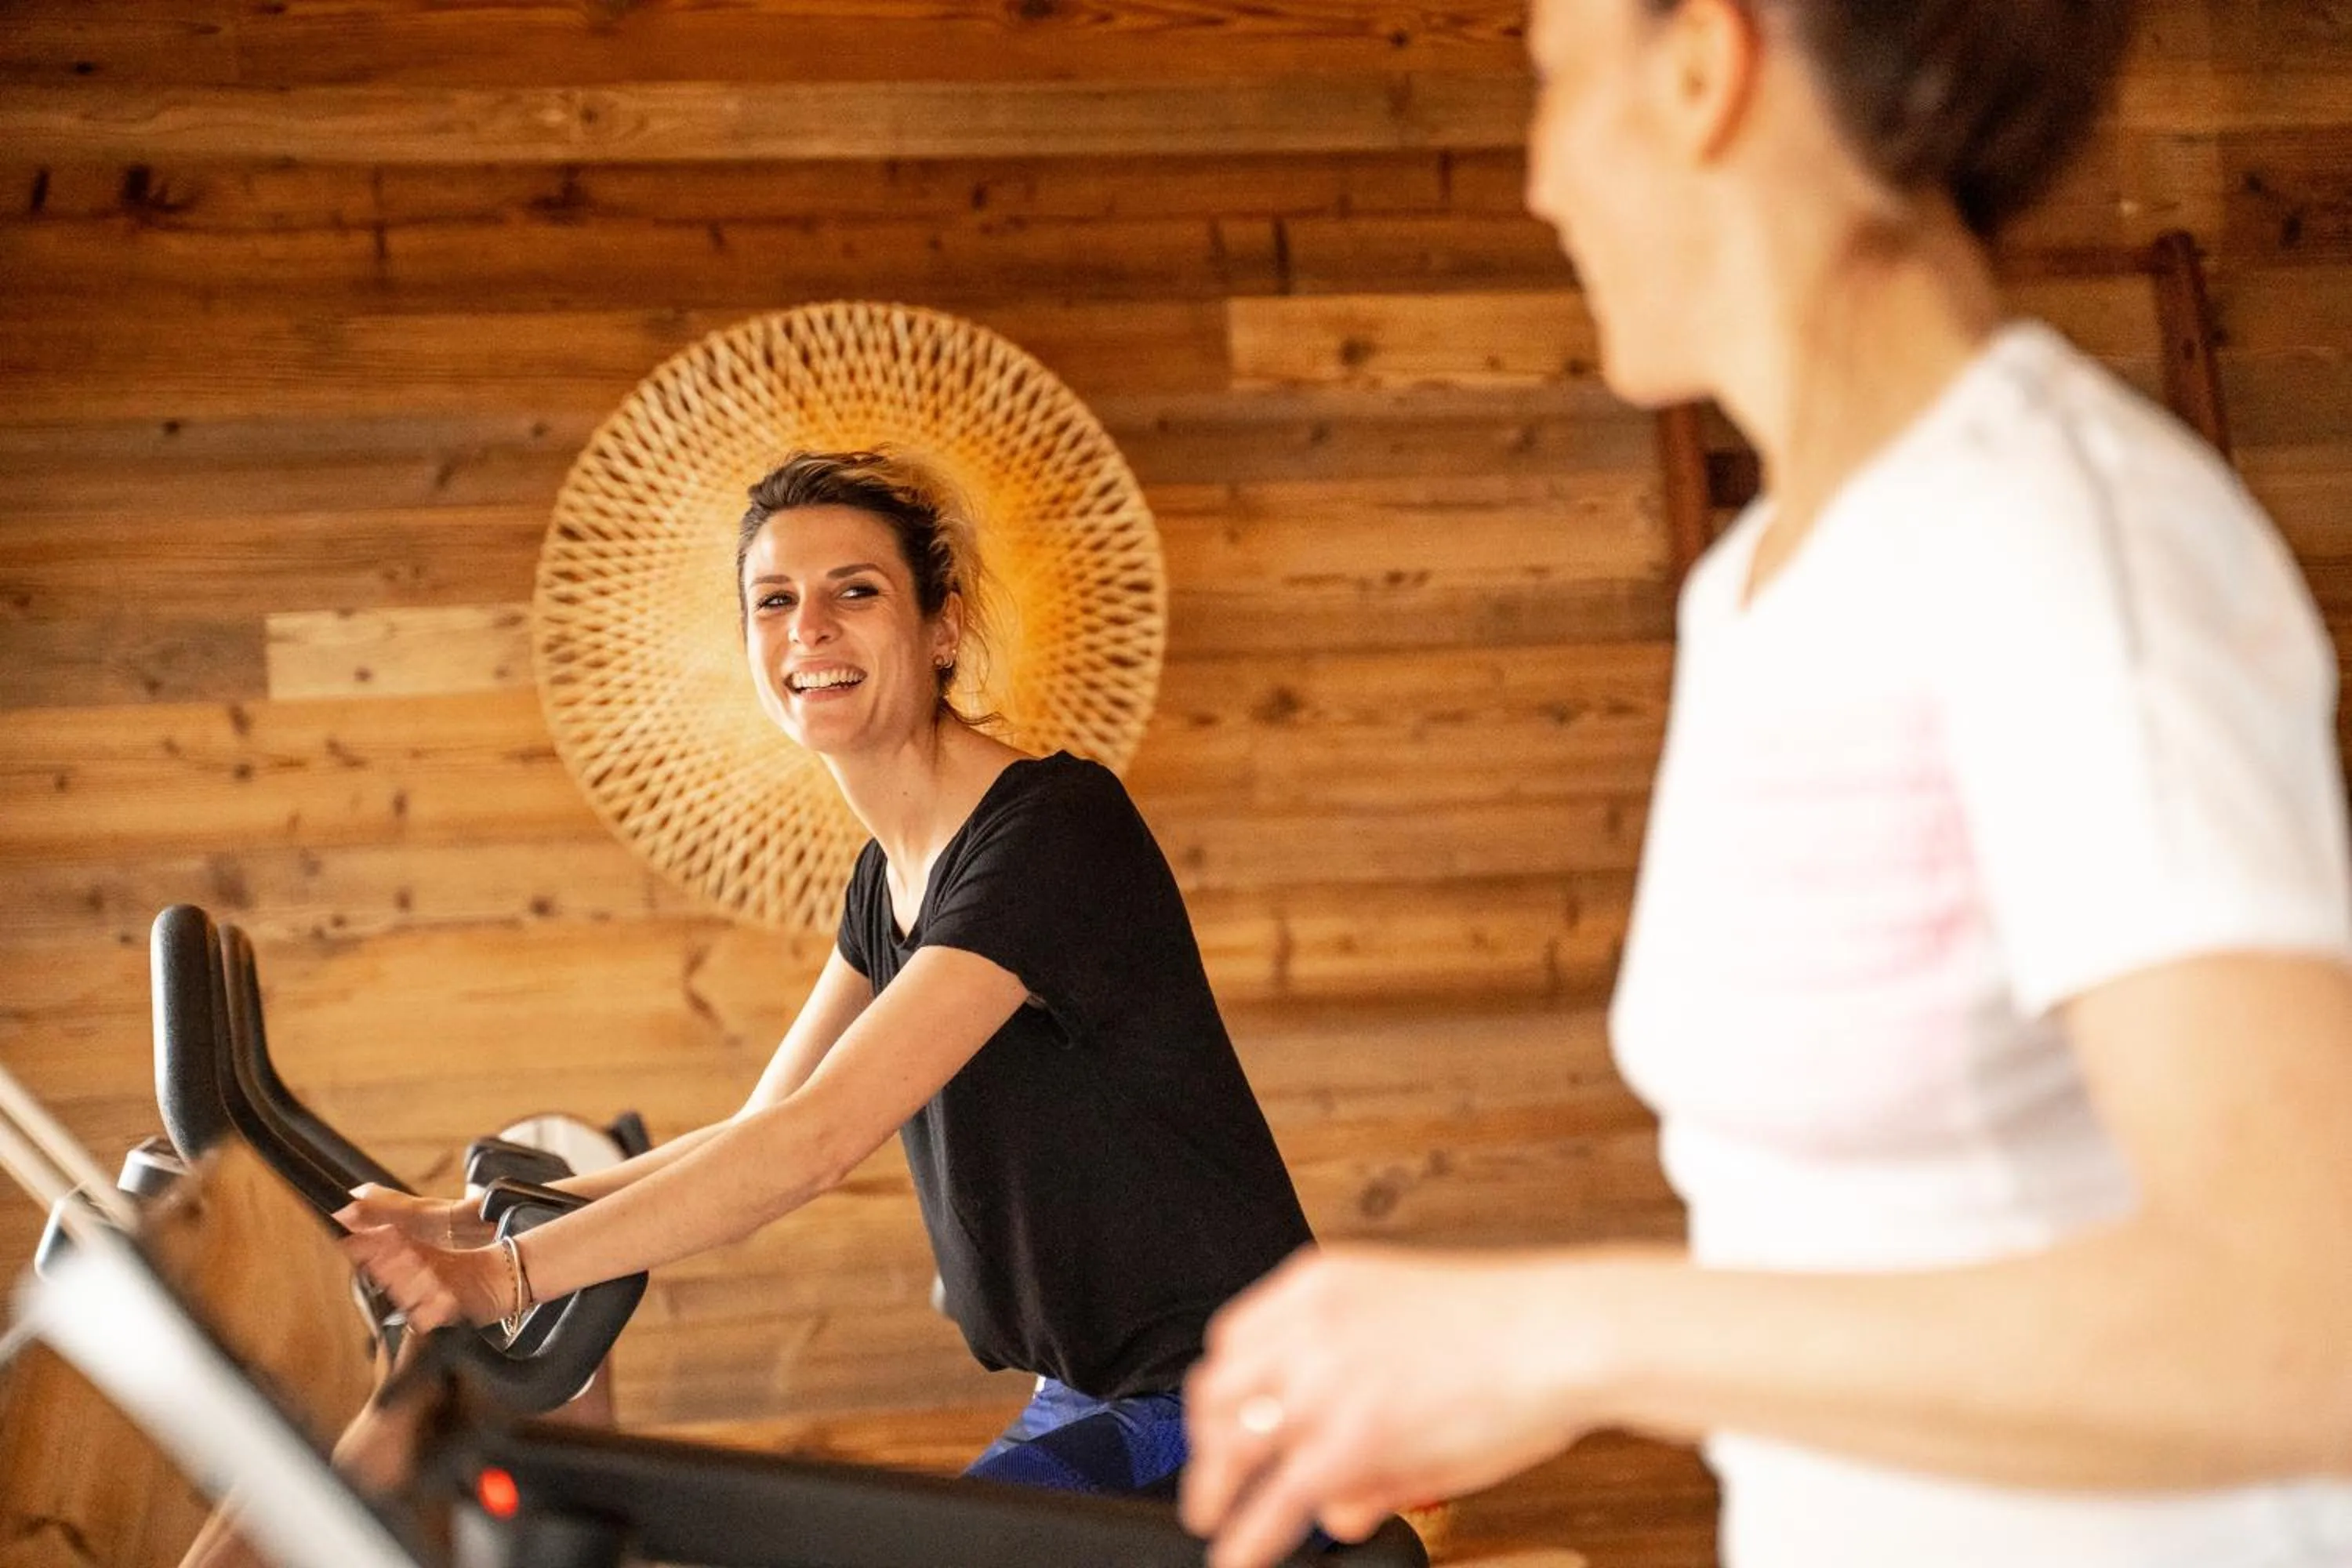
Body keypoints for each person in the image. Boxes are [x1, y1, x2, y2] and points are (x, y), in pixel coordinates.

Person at [1178, 2, 2352, 1565]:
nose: (1538, 180)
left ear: (1700, 67)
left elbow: (2306, 1321)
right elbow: (1876, 1240)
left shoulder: (2065, 539)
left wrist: (1578, 1334)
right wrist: (1539, 1378)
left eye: (1550, 83)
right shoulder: (1750, 594)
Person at [339, 449, 1312, 1500]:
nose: (808, 627)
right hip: (1089, 1388)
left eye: (856, 590)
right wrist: (461, 1224)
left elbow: (814, 1144)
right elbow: (761, 1131)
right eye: (775, 600)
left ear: (942, 629)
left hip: (1240, 1396)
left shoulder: (1052, 834)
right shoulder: (882, 883)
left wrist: (501, 1280)